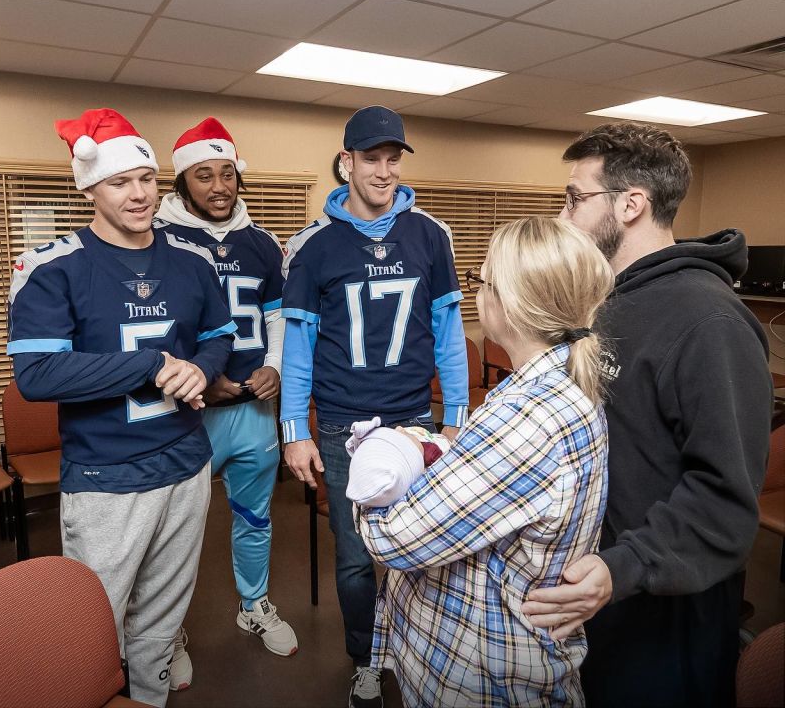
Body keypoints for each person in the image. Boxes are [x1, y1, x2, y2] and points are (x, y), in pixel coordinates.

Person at [521, 122, 771, 707]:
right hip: (595, 596)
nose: (563, 217)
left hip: (660, 611)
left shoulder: (711, 324)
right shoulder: (606, 302)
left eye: (575, 198)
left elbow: (724, 501)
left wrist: (623, 567)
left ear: (631, 204)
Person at [7, 108, 234, 707]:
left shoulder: (192, 259)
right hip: (108, 478)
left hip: (186, 463)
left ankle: (148, 696)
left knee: (164, 610)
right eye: (119, 182)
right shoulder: (52, 267)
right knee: (95, 623)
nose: (138, 195)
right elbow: (36, 373)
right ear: (87, 186)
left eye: (146, 179)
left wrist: (201, 369)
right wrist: (151, 364)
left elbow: (218, 334)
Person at [356, 216, 614, 707]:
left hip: (483, 678)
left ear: (511, 304)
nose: (477, 292)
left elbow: (392, 538)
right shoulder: (548, 386)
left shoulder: (530, 417)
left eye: (483, 281)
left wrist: (379, 464)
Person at [278, 105, 469, 707]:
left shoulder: (430, 235)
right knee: (356, 556)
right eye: (371, 159)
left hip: (413, 419)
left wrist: (457, 419)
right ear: (346, 163)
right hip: (339, 424)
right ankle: (364, 656)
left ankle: (417, 648)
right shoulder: (311, 247)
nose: (383, 172)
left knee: (425, 546)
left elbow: (448, 332)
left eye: (393, 159)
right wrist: (294, 431)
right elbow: (300, 347)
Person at [153, 117, 297, 683]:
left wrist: (275, 368)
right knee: (174, 528)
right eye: (204, 175)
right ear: (183, 181)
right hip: (187, 414)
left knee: (253, 516)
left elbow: (277, 315)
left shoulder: (261, 243)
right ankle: (169, 629)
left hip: (251, 408)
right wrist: (195, 376)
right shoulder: (159, 237)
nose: (218, 186)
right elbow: (153, 323)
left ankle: (254, 604)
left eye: (227, 174)